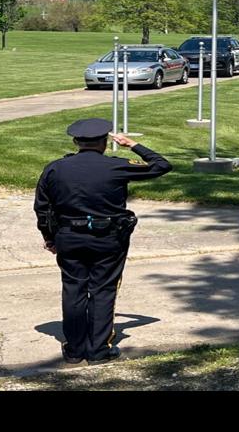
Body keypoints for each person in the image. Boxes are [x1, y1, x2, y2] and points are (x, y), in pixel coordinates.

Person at [33, 118, 171, 364]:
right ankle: (98, 349)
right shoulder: (116, 166)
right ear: (104, 143)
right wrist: (132, 144)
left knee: (73, 289)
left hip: (69, 237)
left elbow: (42, 209)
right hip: (108, 238)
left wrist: (49, 238)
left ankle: (75, 350)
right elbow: (161, 165)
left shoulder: (55, 168)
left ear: (76, 142)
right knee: (103, 290)